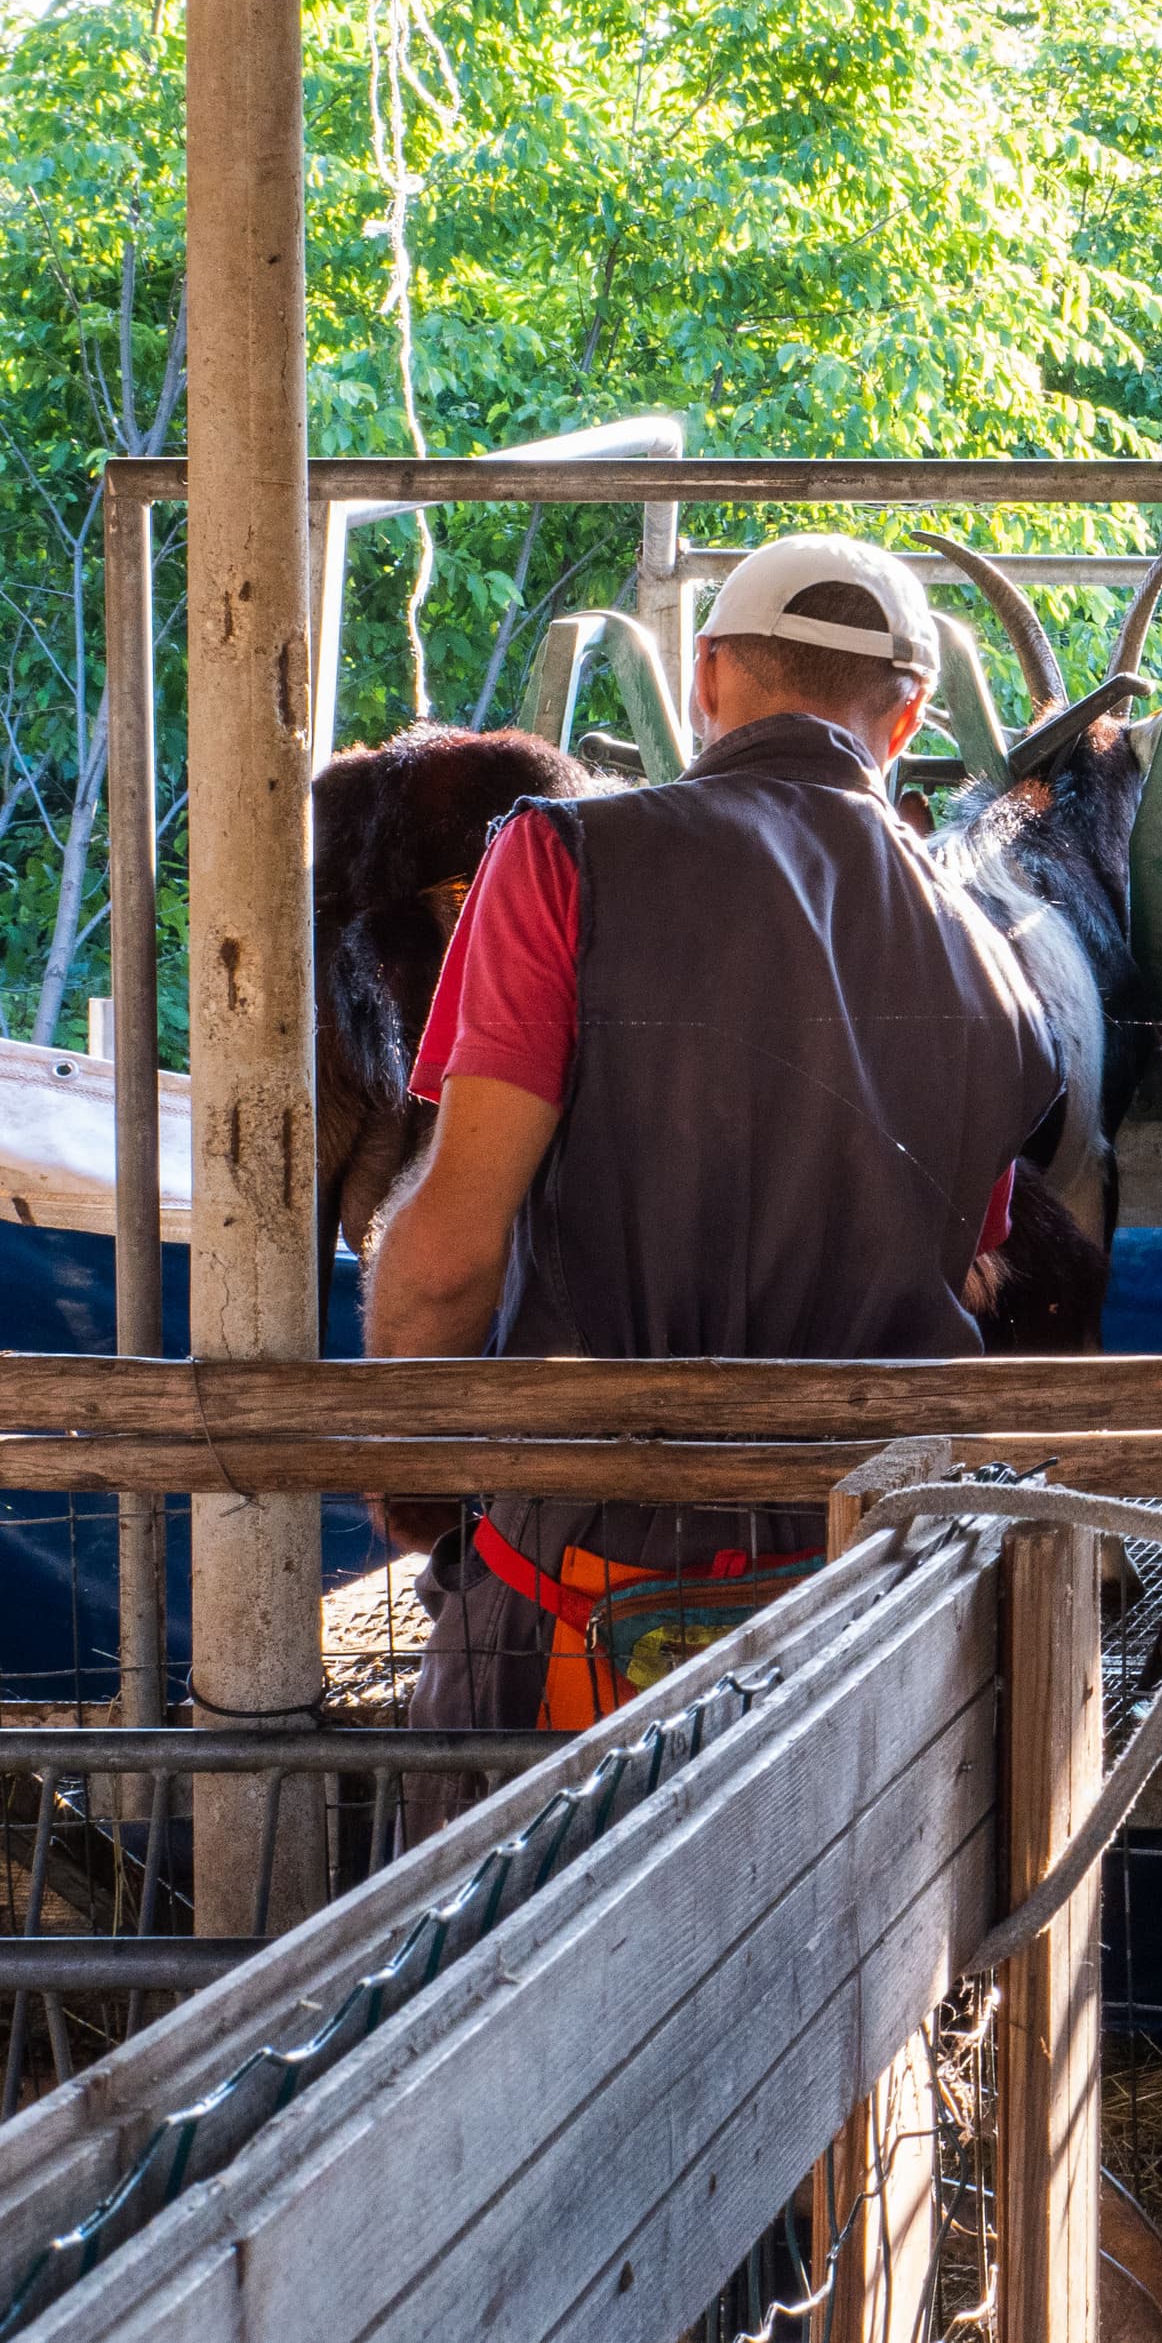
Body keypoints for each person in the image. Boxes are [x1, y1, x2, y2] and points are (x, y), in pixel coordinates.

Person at [369, 533, 1067, 1742]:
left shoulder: (563, 858)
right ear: (905, 722)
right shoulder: (1004, 977)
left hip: (580, 1608)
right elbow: (963, 1269)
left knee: (497, 1921)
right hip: (871, 1613)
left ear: (704, 679)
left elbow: (447, 1256)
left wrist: (409, 1475)